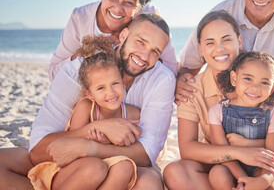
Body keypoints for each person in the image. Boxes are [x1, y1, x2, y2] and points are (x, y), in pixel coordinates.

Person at [163, 10, 274, 190]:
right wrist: (237, 152)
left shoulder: (262, 77)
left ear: (239, 41)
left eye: (227, 39)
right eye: (210, 43)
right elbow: (187, 149)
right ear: (200, 49)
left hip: (266, 162)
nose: (219, 48)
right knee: (175, 172)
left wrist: (253, 148)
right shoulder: (192, 89)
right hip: (222, 164)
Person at [0, 13, 176, 190]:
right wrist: (100, 128)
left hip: (120, 163)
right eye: (140, 42)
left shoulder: (162, 79)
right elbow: (38, 150)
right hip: (73, 164)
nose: (145, 56)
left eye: (155, 51)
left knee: (148, 182)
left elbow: (146, 153)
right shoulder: (80, 70)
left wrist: (87, 147)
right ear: (124, 35)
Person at [28, 35, 140, 189]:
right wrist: (99, 141)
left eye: (115, 83)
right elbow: (72, 144)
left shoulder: (133, 113)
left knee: (125, 166)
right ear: (89, 94)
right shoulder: (86, 107)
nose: (111, 93)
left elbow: (137, 144)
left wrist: (109, 144)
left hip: (106, 159)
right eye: (101, 88)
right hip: (78, 164)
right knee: (97, 167)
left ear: (123, 81)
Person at [48, 0, 178, 81]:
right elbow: (53, 73)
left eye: (129, 2)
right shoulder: (80, 17)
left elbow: (171, 69)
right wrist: (90, 51)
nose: (117, 9)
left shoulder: (149, 17)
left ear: (139, 7)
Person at [209, 51, 274, 190]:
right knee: (217, 174)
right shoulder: (217, 111)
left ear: (273, 87)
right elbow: (222, 154)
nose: (255, 87)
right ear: (234, 78)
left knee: (272, 187)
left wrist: (263, 181)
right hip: (232, 164)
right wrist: (244, 181)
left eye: (264, 82)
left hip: (268, 167)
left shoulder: (273, 115)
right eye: (248, 79)